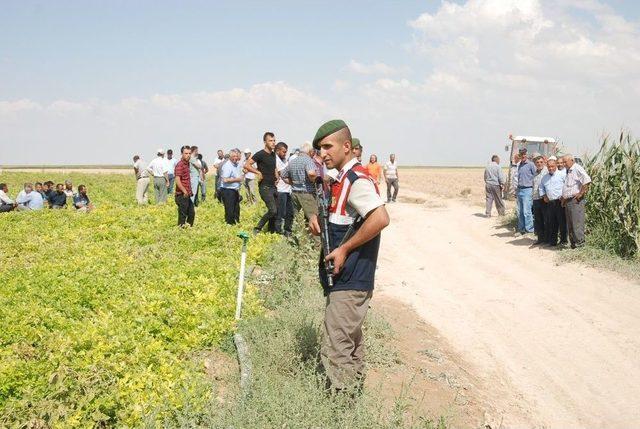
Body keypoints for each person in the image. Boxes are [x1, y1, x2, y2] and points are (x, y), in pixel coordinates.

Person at [309, 119, 390, 393]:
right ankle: (353, 397)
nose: (323, 153)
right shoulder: (340, 180)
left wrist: (344, 249)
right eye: (320, 148)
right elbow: (345, 224)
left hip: (352, 279)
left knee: (337, 346)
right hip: (346, 279)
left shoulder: (355, 180)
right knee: (351, 343)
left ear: (347, 146)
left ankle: (342, 408)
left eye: (328, 146)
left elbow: (380, 218)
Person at [244, 132, 278, 234]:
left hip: (273, 186)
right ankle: (257, 228)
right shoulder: (260, 154)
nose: (273, 143)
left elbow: (274, 166)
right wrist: (257, 172)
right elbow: (247, 165)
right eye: (270, 141)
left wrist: (276, 175)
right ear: (265, 142)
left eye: (274, 140)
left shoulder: (273, 154)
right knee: (272, 210)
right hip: (264, 187)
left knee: (276, 212)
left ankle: (271, 231)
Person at [280, 142, 318, 221]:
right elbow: (311, 173)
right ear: (310, 151)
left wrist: (292, 183)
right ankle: (309, 233)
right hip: (307, 193)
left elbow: (283, 175)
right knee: (312, 218)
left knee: (297, 219)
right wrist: (316, 181)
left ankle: (297, 232)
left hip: (294, 193)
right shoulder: (308, 160)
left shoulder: (293, 161)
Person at [562, 154, 592, 249]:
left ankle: (580, 244)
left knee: (577, 223)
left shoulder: (577, 168)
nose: (563, 164)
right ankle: (573, 245)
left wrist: (580, 194)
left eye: (565, 162)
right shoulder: (568, 170)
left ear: (572, 160)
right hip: (568, 201)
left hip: (575, 201)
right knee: (570, 224)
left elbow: (586, 180)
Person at [539, 158, 567, 247]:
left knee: (562, 222)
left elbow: (567, 186)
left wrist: (564, 198)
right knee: (552, 222)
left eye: (552, 166)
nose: (550, 168)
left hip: (560, 202)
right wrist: (544, 196)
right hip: (550, 203)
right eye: (549, 167)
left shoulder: (562, 175)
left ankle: (563, 241)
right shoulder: (545, 177)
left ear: (555, 166)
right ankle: (553, 242)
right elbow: (541, 187)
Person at [219, 149, 244, 225]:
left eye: (237, 156)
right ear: (230, 156)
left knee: (236, 209)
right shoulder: (227, 166)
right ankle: (230, 225)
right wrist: (238, 179)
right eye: (234, 156)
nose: (235, 158)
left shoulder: (236, 165)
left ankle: (236, 224)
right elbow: (225, 180)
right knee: (230, 210)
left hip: (234, 190)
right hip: (227, 191)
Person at [515, 148, 536, 235]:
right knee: (520, 211)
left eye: (524, 154)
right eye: (521, 154)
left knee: (527, 211)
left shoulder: (531, 165)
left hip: (528, 190)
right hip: (520, 190)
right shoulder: (519, 165)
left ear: (526, 154)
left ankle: (529, 230)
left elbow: (535, 176)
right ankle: (522, 229)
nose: (523, 155)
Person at [274, 142, 294, 236]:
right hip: (281, 190)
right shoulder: (276, 160)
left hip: (287, 190)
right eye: (283, 152)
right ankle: (278, 232)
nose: (285, 153)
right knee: (281, 213)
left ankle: (287, 231)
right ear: (278, 151)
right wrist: (295, 183)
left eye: (286, 152)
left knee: (289, 213)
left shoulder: (284, 160)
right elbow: (283, 175)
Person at [174, 146, 195, 227]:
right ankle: (181, 230)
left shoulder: (187, 164)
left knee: (191, 213)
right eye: (186, 153)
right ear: (181, 154)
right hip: (182, 194)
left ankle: (188, 229)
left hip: (187, 194)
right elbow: (177, 180)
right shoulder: (180, 165)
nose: (188, 155)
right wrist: (184, 191)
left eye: (189, 153)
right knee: (182, 215)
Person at [532, 154, 548, 244]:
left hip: (544, 199)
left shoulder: (546, 172)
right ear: (535, 163)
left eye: (541, 162)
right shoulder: (535, 173)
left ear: (544, 162)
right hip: (535, 199)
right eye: (537, 162)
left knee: (546, 219)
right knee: (538, 219)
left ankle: (546, 239)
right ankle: (540, 239)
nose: (539, 164)